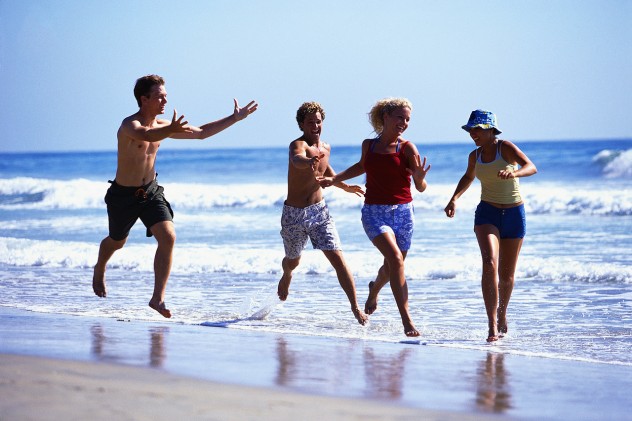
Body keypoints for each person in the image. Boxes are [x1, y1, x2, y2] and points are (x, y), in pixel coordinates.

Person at [92, 74, 258, 318]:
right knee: (117, 242)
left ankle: (157, 298)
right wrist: (170, 128)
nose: (164, 102)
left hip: (149, 191)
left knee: (168, 236)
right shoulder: (129, 125)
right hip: (122, 196)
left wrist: (235, 118)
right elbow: (146, 136)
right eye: (159, 97)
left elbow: (201, 132)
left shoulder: (163, 126)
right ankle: (100, 267)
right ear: (144, 99)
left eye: (166, 97)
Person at [318, 98, 430, 337]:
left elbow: (420, 187)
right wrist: (334, 180)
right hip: (374, 212)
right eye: (400, 117)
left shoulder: (407, 148)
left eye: (407, 119)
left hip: (403, 213)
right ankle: (407, 320)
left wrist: (419, 177)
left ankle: (375, 288)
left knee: (392, 266)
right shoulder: (369, 145)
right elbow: (361, 167)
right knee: (397, 260)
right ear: (386, 117)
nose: (404, 122)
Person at [444, 109, 537, 342]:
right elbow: (468, 177)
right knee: (489, 263)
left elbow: (530, 167)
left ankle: (502, 314)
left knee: (506, 276)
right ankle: (491, 326)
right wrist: (454, 198)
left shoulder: (505, 147)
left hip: (514, 213)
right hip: (487, 213)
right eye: (471, 130)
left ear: (490, 130)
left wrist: (514, 173)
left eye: (478, 129)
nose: (473, 133)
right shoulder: (474, 156)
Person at [278, 101, 368, 325]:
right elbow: (298, 160)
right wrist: (309, 161)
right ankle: (287, 275)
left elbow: (326, 171)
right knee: (293, 261)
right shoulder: (297, 145)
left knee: (338, 258)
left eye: (318, 121)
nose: (315, 126)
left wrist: (344, 186)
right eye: (310, 122)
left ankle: (355, 307)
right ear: (301, 124)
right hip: (294, 213)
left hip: (319, 212)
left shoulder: (326, 147)